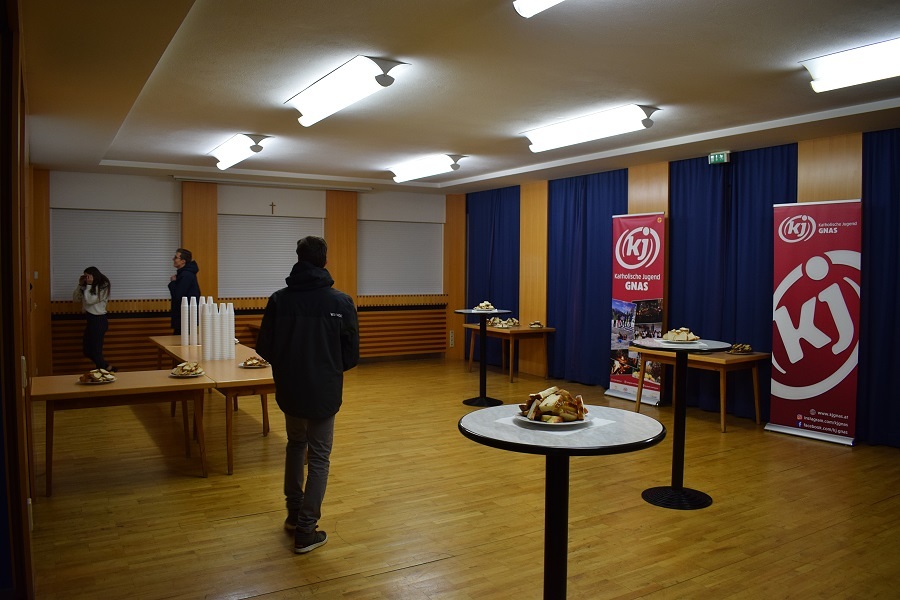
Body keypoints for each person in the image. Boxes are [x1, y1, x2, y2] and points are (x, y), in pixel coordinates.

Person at [255, 236, 359, 555]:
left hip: (291, 390)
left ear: (299, 259)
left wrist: (290, 366)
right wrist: (327, 368)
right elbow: (351, 355)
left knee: (295, 445)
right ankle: (306, 529)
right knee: (319, 457)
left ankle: (293, 513)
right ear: (324, 261)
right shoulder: (340, 302)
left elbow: (264, 347)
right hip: (323, 392)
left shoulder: (279, 300)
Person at [73, 266, 114, 371]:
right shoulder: (86, 286)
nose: (86, 278)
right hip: (90, 320)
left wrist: (89, 285)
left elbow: (90, 300)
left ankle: (103, 371)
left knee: (96, 351)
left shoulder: (103, 286)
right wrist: (80, 285)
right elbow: (76, 299)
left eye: (88, 276)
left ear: (94, 275)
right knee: (87, 351)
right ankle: (106, 367)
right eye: (85, 276)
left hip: (99, 320)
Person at [168, 248, 201, 335]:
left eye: (176, 257)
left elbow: (178, 295)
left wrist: (173, 283)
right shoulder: (185, 273)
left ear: (183, 261)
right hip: (185, 315)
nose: (173, 259)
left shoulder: (186, 275)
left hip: (185, 316)